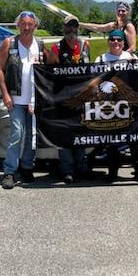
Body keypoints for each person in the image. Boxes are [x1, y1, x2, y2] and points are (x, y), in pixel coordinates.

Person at [0, 10, 47, 190]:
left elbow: (49, 66)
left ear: (35, 26)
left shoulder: (40, 44)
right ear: (18, 25)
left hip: (34, 100)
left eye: (30, 24)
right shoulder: (9, 43)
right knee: (16, 134)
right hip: (16, 98)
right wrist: (5, 94)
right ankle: (9, 171)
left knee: (31, 136)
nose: (26, 27)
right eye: (23, 24)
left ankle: (27, 167)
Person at [94, 29, 138, 183]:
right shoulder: (100, 59)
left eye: (119, 40)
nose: (116, 43)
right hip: (110, 106)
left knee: (135, 140)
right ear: (108, 42)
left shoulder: (131, 57)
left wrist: (136, 65)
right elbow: (94, 82)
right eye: (112, 39)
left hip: (130, 105)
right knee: (112, 141)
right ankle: (112, 173)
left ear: (123, 43)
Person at [47, 15, 91, 184]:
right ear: (63, 28)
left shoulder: (85, 45)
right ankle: (67, 169)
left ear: (78, 28)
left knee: (81, 133)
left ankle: (82, 167)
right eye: (68, 27)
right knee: (65, 135)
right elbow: (49, 73)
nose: (71, 30)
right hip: (63, 98)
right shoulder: (56, 48)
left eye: (74, 26)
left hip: (82, 97)